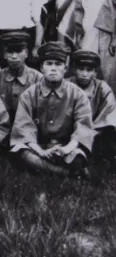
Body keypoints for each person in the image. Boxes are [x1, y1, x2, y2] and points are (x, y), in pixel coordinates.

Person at [10, 41, 93, 176]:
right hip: (39, 147)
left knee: (78, 157)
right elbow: (23, 129)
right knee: (21, 152)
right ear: (42, 68)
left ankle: (48, 169)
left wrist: (67, 148)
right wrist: (40, 151)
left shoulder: (78, 94)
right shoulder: (29, 95)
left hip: (66, 148)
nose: (53, 68)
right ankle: (64, 173)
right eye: (49, 64)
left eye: (58, 64)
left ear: (65, 68)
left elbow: (83, 127)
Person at [0, 30, 43, 122]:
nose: (14, 56)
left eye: (19, 51)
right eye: (10, 52)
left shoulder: (39, 80)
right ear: (4, 54)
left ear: (27, 53)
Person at [69, 49, 116, 161]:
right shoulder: (66, 85)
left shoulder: (102, 87)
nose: (84, 74)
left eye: (89, 70)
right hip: (70, 131)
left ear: (95, 72)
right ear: (74, 70)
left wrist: (90, 134)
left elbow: (109, 114)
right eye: (81, 69)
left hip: (96, 132)